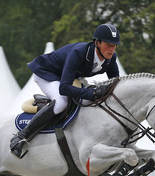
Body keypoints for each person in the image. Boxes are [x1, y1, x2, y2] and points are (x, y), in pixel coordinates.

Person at [10, 23, 121, 158]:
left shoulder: (111, 58)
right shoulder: (79, 53)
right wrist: (91, 93)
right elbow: (64, 88)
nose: (112, 49)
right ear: (97, 43)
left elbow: (115, 84)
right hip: (46, 73)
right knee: (61, 102)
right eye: (108, 45)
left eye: (114, 45)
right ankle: (21, 137)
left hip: (66, 77)